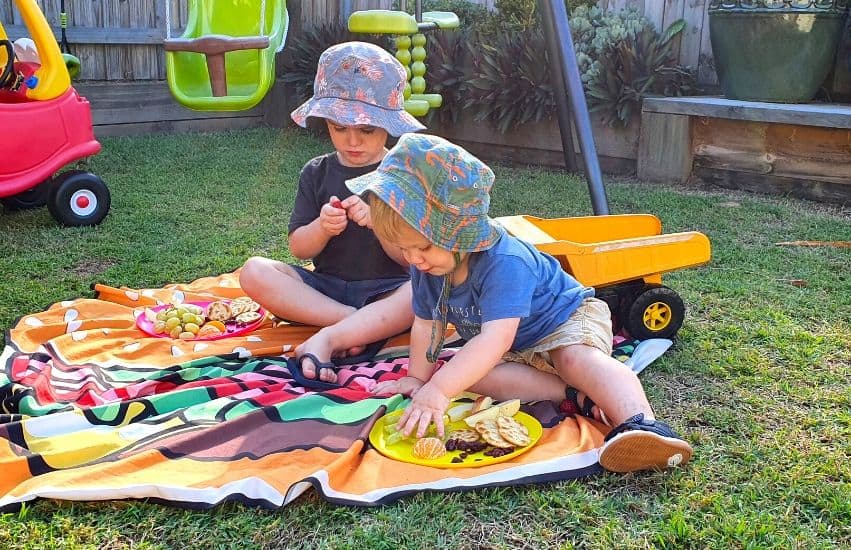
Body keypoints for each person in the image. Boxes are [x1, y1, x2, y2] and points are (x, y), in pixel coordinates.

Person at [347, 133, 693, 473]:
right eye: (403, 249)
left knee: (573, 358)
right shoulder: (428, 266)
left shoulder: (506, 261)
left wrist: (438, 390)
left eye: (422, 247)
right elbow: (427, 323)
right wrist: (420, 379)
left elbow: (493, 339)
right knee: (470, 376)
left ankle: (641, 425)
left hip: (565, 320)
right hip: (515, 346)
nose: (413, 259)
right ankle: (577, 398)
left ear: (459, 232)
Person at [239, 42, 425, 383]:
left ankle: (353, 325)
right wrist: (323, 227)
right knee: (253, 271)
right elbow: (299, 248)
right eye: (340, 129)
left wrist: (380, 224)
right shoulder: (316, 172)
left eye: (366, 130)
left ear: (389, 126)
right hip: (323, 292)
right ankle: (351, 322)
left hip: (386, 291)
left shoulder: (402, 175)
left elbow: (412, 261)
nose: (352, 141)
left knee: (423, 289)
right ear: (326, 123)